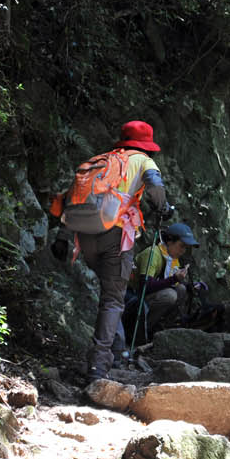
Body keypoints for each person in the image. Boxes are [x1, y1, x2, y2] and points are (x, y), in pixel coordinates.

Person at [50, 120, 170, 376]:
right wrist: (163, 208)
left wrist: (63, 235)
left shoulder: (99, 161)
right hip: (116, 235)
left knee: (109, 297)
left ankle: (116, 352)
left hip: (86, 237)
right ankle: (98, 365)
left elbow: (73, 198)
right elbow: (156, 191)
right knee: (113, 300)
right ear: (146, 146)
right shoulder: (143, 161)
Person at [128, 221, 199, 342]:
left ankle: (160, 328)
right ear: (170, 242)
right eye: (181, 246)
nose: (183, 251)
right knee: (169, 295)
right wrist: (174, 279)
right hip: (133, 299)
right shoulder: (153, 253)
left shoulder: (171, 258)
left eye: (185, 248)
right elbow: (145, 286)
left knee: (181, 290)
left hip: (147, 297)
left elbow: (166, 282)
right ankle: (139, 332)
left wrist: (190, 286)